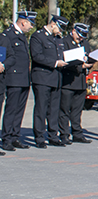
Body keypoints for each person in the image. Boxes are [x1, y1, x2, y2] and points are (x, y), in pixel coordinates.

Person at [0, 10, 37, 152]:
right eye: (30, 24)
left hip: (23, 78)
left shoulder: (21, 36)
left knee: (19, 110)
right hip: (13, 77)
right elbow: (4, 57)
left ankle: (15, 136)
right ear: (23, 22)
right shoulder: (7, 35)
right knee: (11, 109)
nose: (31, 27)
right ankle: (7, 138)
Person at [30, 15, 69, 148]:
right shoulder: (38, 36)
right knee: (41, 108)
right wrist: (55, 63)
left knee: (53, 109)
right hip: (42, 77)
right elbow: (36, 56)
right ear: (53, 24)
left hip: (56, 78)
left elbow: (62, 54)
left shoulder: (58, 38)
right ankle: (39, 137)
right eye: (59, 28)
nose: (60, 32)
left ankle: (53, 135)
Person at [59, 23, 94, 144]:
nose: (81, 38)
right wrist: (80, 65)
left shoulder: (85, 43)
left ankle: (77, 133)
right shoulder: (64, 41)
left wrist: (89, 63)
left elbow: (87, 57)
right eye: (79, 35)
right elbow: (65, 60)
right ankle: (64, 134)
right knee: (64, 109)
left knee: (77, 110)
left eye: (83, 36)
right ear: (73, 31)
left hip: (80, 81)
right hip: (68, 81)